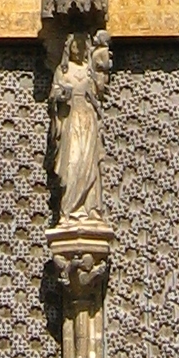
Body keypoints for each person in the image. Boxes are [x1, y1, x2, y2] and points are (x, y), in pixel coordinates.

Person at [50, 29, 110, 221]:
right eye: (75, 45)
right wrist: (60, 96)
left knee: (90, 163)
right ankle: (68, 210)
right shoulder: (63, 71)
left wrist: (102, 66)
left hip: (88, 118)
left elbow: (99, 91)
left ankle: (91, 208)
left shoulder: (88, 70)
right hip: (71, 118)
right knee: (73, 162)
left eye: (82, 45)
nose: (78, 49)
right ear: (69, 47)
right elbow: (54, 95)